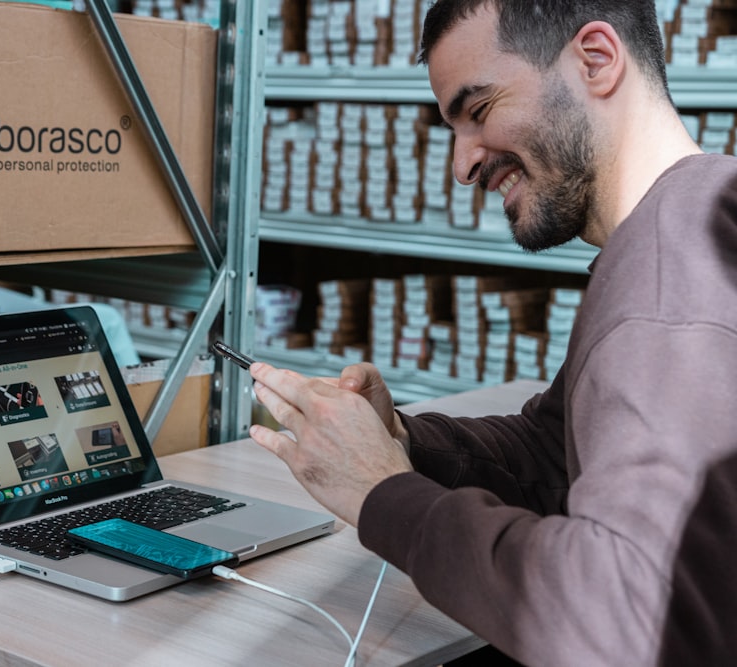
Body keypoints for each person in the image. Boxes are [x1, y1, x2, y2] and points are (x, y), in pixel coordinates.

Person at [246, 1, 737, 665]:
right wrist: (400, 442)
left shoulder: (664, 289)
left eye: (477, 111)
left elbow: (621, 620)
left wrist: (383, 496)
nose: (462, 165)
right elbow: (553, 453)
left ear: (596, 61)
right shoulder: (679, 226)